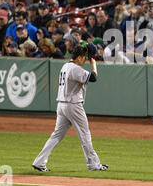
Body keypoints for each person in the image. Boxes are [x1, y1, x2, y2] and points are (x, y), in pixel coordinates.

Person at [32, 44, 108, 172]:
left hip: (62, 105)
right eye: (84, 58)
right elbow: (93, 77)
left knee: (56, 135)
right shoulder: (75, 68)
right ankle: (94, 164)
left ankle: (39, 162)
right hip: (73, 106)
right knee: (85, 135)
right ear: (79, 57)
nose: (85, 60)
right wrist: (93, 64)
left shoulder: (65, 66)